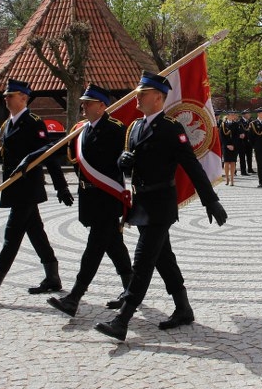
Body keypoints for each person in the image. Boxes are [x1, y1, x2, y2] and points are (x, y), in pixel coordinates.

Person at [94, 71, 227, 341]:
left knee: (142, 262)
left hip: (160, 206)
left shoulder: (171, 128)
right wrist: (124, 162)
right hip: (142, 203)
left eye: (141, 95)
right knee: (164, 259)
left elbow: (192, 166)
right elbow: (127, 159)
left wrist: (211, 201)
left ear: (158, 97)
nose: (137, 99)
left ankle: (122, 320)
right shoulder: (135, 127)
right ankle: (183, 308)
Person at [0, 79, 75, 304]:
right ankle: (52, 277)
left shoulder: (34, 122)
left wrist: (61, 186)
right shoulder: (7, 124)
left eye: (11, 95)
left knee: (11, 237)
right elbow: (13, 152)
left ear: (24, 98)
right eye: (5, 96)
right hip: (13, 187)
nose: (6, 98)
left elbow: (48, 153)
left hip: (28, 188)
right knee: (35, 232)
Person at [47, 85, 133, 317]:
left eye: (89, 102)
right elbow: (56, 150)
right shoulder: (80, 130)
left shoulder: (116, 130)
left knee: (94, 248)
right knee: (114, 246)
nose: (83, 105)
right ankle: (131, 289)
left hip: (107, 198)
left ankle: (74, 297)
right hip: (89, 197)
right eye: (83, 101)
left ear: (102, 106)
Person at [248, 107, 262, 187]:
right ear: (258, 114)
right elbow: (250, 137)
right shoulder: (253, 123)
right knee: (260, 165)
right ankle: (261, 181)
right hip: (259, 147)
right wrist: (254, 146)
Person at [220, 109, 239, 186]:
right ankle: (227, 178)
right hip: (226, 146)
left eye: (233, 115)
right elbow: (222, 136)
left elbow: (236, 136)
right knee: (227, 162)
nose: (232, 116)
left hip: (234, 146)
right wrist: (227, 145)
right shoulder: (223, 124)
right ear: (227, 116)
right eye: (231, 114)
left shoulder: (236, 124)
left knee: (233, 162)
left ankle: (232, 179)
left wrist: (233, 145)